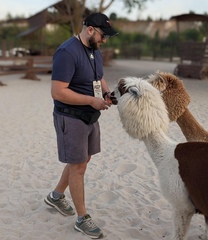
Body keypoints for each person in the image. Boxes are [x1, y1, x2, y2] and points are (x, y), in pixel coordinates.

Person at [44, 12, 118, 239]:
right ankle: (82, 218)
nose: (105, 40)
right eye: (103, 35)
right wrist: (90, 100)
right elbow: (57, 92)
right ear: (90, 30)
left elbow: (99, 77)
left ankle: (56, 197)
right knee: (78, 167)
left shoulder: (95, 49)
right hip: (71, 116)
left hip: (90, 116)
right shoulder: (67, 53)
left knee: (83, 160)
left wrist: (106, 93)